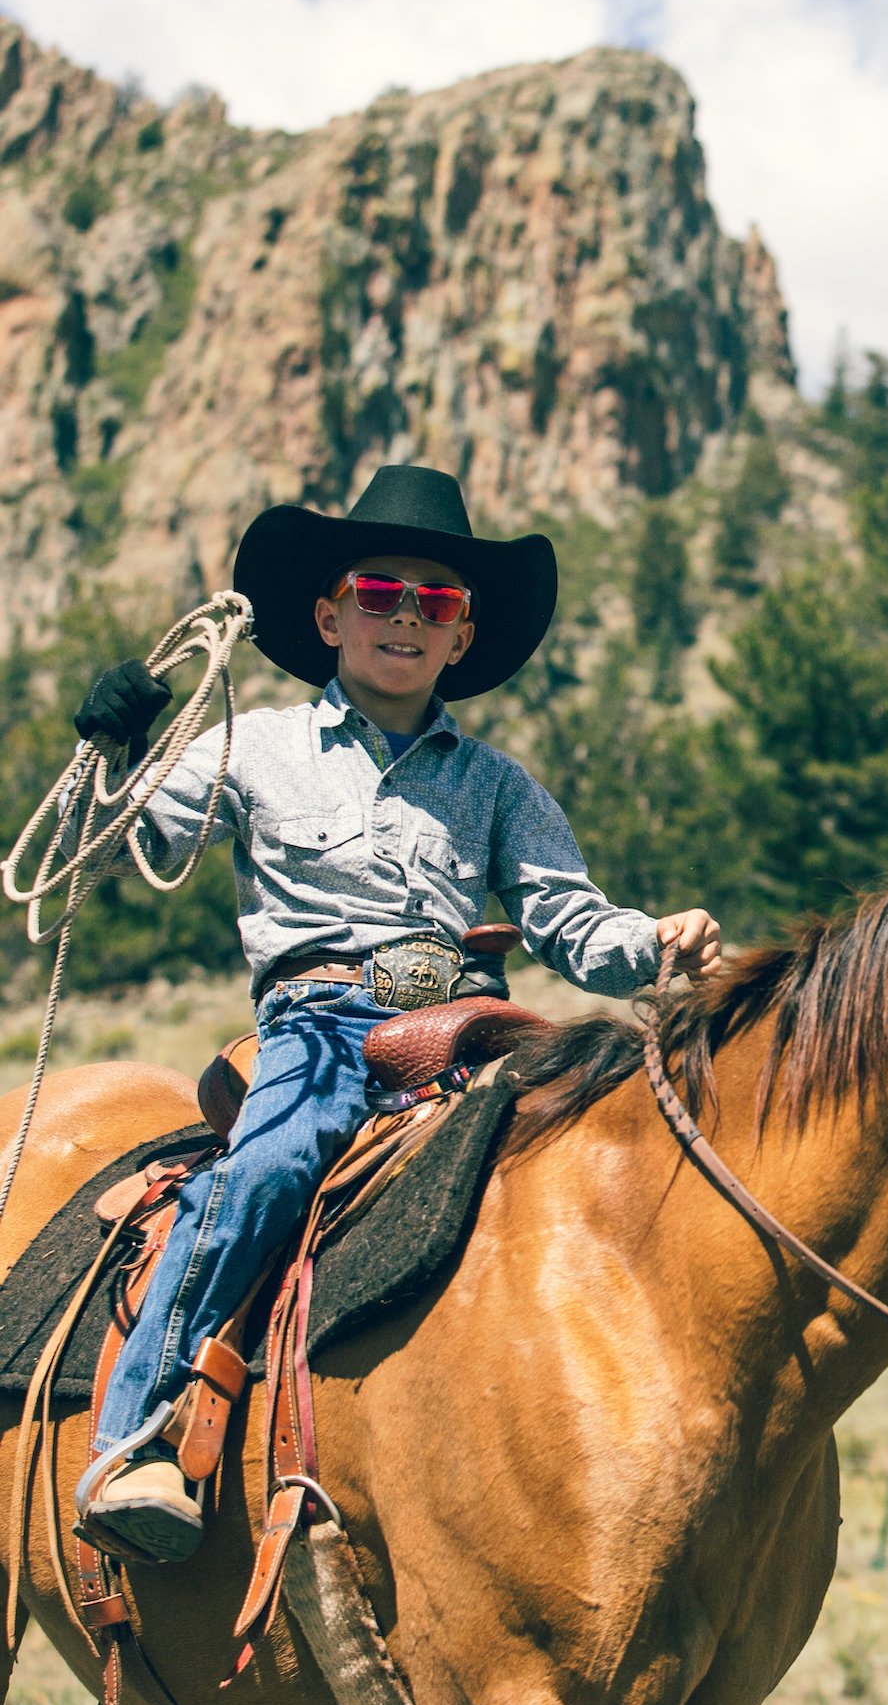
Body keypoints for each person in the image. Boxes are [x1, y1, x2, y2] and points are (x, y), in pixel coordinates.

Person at [73, 464, 721, 1562]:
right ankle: (136, 1435)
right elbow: (140, 842)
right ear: (330, 614)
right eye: (381, 592)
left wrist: (649, 941)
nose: (406, 617)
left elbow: (567, 917)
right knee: (274, 1163)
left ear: (463, 636)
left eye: (436, 601)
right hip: (321, 1017)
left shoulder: (500, 785)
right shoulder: (254, 745)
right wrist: (113, 751)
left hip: (466, 1018)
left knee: (604, 1168)